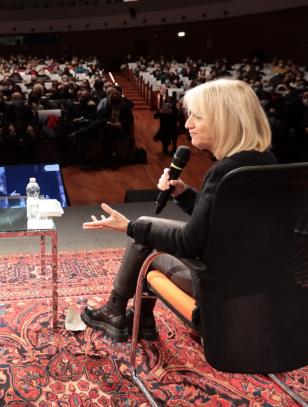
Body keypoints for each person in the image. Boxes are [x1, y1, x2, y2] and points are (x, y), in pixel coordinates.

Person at [80, 79, 275, 342]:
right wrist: (182, 193)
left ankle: (117, 311)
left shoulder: (224, 171)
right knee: (148, 226)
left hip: (217, 288)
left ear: (225, 120)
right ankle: (137, 317)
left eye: (197, 116)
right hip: (256, 282)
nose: (187, 124)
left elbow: (189, 242)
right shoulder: (264, 161)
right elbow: (220, 220)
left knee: (146, 246)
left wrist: (128, 227)